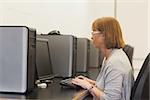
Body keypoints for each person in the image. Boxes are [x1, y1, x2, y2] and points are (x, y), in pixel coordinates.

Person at [72, 17, 134, 100]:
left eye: (93, 32)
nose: (91, 37)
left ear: (104, 35)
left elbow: (111, 98)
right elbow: (108, 84)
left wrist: (88, 86)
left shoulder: (115, 63)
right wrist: (89, 81)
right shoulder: (111, 56)